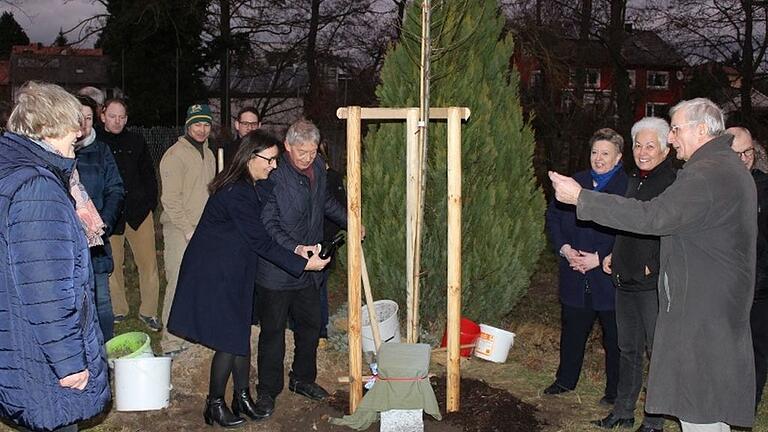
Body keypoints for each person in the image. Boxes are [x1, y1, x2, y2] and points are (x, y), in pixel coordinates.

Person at [550, 98, 756, 432]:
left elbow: (655, 217)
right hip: (716, 305)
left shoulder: (706, 174)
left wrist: (582, 199)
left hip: (702, 312)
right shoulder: (723, 168)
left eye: (675, 130)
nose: (672, 139)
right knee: (710, 405)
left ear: (701, 130)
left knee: (698, 406)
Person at [167, 131, 329, 427]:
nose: (274, 166)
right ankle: (213, 404)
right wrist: (304, 264)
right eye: (269, 160)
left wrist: (297, 248)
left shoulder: (253, 186)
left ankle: (241, 398)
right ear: (250, 157)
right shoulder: (236, 193)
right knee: (229, 339)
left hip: (236, 269)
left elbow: (270, 224)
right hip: (215, 273)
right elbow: (261, 242)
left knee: (239, 333)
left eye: (276, 160)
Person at [0, 81, 110, 431]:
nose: (75, 142)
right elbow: (46, 287)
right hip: (41, 358)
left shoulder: (12, 171)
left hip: (19, 338)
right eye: (70, 134)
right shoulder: (37, 190)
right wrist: (69, 363)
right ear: (47, 129)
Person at [252, 119, 349, 418]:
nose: (307, 157)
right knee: (273, 332)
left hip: (311, 268)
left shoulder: (318, 167)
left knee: (310, 326)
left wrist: (351, 220)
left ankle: (302, 378)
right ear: (288, 146)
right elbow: (268, 223)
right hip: (277, 270)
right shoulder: (274, 175)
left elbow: (324, 203)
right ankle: (268, 390)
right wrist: (295, 250)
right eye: (301, 152)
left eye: (312, 151)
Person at [592, 118, 676, 432]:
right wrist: (615, 252)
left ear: (666, 150)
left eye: (650, 145)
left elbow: (673, 229)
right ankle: (623, 411)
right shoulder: (633, 180)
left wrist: (652, 264)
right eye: (638, 145)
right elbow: (626, 225)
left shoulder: (671, 183)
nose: (642, 151)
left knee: (656, 351)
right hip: (624, 279)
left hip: (651, 285)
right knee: (627, 350)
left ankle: (654, 420)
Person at [543, 128, 627, 405]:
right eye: (594, 152)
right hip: (575, 273)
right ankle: (565, 380)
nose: (598, 159)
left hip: (608, 278)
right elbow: (553, 217)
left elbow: (630, 231)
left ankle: (614, 392)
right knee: (572, 332)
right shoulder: (574, 183)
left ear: (618, 158)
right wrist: (565, 250)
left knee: (614, 339)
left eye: (605, 154)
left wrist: (600, 257)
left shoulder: (627, 188)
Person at [159, 103, 216, 355]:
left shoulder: (210, 154)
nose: (202, 130)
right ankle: (170, 341)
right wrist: (186, 228)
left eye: (206, 124)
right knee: (178, 283)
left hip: (203, 229)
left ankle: (191, 335)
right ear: (187, 125)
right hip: (179, 228)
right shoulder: (174, 155)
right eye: (197, 124)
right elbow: (170, 200)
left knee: (199, 282)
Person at [100, 98, 162, 332]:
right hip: (110, 214)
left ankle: (149, 312)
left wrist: (149, 203)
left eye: (122, 117)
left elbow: (148, 174)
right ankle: (118, 309)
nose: (118, 121)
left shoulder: (136, 140)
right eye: (113, 116)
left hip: (138, 212)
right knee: (113, 266)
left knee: (148, 265)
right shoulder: (95, 142)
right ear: (103, 115)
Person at [74, 95, 125, 342]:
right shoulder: (60, 151)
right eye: (79, 117)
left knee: (101, 300)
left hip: (96, 240)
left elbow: (115, 188)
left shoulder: (102, 150)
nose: (84, 123)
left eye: (88, 118)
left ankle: (105, 352)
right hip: (68, 240)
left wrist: (104, 221)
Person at [728, 126, 768, 412]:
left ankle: (746, 407)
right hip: (722, 285)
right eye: (736, 153)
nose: (743, 159)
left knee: (756, 349)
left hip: (759, 286)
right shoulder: (713, 186)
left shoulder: (765, 188)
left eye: (748, 152)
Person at [215, 106, 261, 170]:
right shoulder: (227, 152)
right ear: (237, 125)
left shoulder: (266, 150)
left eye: (253, 124)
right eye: (245, 123)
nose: (250, 128)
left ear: (259, 126)